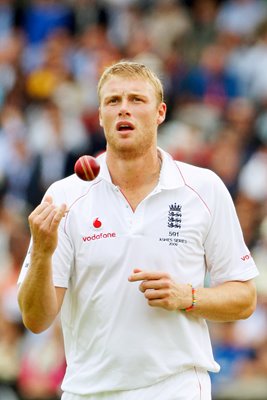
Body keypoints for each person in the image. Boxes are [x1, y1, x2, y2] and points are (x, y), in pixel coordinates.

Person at [17, 60, 258, 400]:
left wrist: (188, 297)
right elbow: (36, 319)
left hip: (179, 387)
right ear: (100, 115)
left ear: (160, 112)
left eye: (136, 100)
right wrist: (42, 252)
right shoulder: (64, 196)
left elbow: (244, 298)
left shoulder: (204, 188)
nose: (123, 109)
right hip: (88, 392)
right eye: (113, 101)